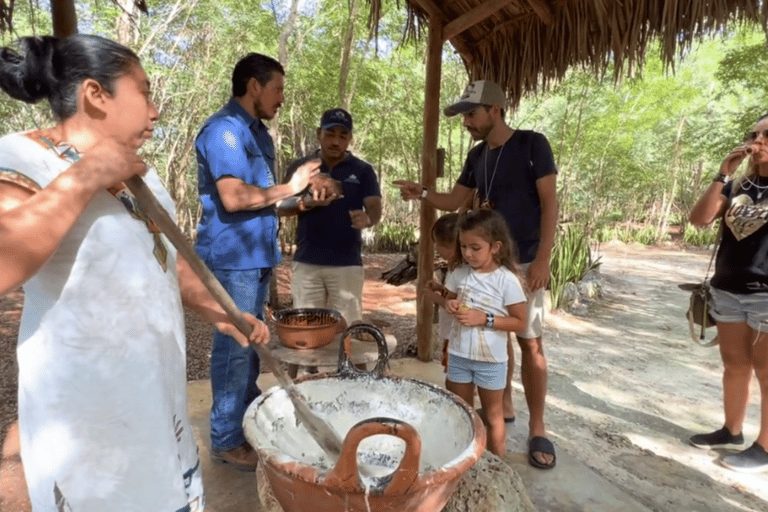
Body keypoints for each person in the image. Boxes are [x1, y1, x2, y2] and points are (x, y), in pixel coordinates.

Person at [0, 34, 268, 510]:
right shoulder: (22, 157)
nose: (155, 110)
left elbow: (164, 256)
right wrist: (85, 176)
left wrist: (222, 311)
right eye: (143, 91)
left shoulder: (141, 174)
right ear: (95, 95)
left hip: (153, 400)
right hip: (86, 419)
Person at [394, 79, 559, 468]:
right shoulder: (478, 155)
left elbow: (550, 202)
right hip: (484, 265)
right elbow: (454, 200)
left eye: (471, 113)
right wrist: (422, 193)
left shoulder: (533, 144)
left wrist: (543, 260)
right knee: (494, 332)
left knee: (529, 342)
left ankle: (538, 428)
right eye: (463, 114)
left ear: (496, 110)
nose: (465, 121)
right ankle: (502, 404)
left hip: (524, 261)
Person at [194, 53, 319, 471]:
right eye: (277, 88)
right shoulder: (225, 132)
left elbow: (258, 203)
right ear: (253, 86)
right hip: (233, 259)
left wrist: (297, 202)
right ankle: (226, 439)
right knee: (234, 347)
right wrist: (293, 183)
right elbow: (232, 197)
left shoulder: (257, 134)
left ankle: (243, 423)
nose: (281, 97)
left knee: (250, 346)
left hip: (257, 256)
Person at [688, 114, 768, 473]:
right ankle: (731, 430)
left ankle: (765, 448)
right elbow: (700, 219)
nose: (758, 139)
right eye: (755, 133)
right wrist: (724, 172)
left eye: (767, 134)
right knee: (735, 364)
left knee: (767, 371)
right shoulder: (738, 185)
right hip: (729, 288)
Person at [279, 108, 382, 326]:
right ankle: (310, 363)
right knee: (306, 329)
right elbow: (280, 205)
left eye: (342, 136)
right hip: (307, 263)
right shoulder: (302, 167)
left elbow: (375, 206)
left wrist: (368, 219)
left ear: (349, 139)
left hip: (347, 264)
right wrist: (306, 203)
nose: (335, 141)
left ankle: (345, 362)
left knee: (348, 328)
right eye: (330, 134)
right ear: (319, 134)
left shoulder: (363, 170)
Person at [440, 209, 527, 456]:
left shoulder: (506, 280)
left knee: (493, 416)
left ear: (495, 247)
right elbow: (458, 302)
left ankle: (498, 470)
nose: (467, 253)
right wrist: (451, 304)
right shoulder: (459, 274)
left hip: (491, 361)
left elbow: (520, 322)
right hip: (459, 356)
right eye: (463, 246)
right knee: (462, 414)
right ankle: (462, 463)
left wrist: (485, 319)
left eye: (475, 248)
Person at [422, 213, 460, 371]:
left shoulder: (459, 271)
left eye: (438, 244)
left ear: (450, 248)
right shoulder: (457, 268)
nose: (436, 248)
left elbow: (460, 306)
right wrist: (441, 288)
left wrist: (435, 298)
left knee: (453, 376)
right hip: (453, 334)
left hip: (456, 337)